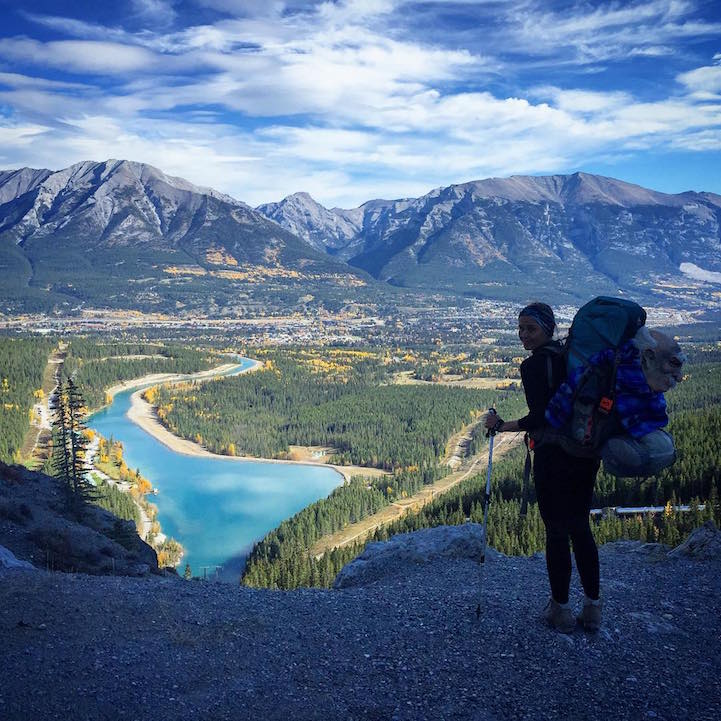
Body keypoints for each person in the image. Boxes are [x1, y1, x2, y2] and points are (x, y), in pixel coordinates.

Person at [484, 302, 602, 634]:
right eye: (520, 328)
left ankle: (561, 611)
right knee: (581, 527)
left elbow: (541, 416)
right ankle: (593, 609)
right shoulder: (573, 358)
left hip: (552, 455)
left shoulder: (534, 365)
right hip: (584, 453)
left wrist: (502, 425)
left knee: (556, 531)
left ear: (547, 328)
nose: (523, 335)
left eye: (530, 328)